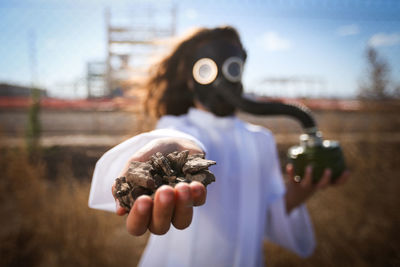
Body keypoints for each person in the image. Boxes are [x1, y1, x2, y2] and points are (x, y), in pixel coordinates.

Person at [88, 26, 349, 267]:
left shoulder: (261, 140)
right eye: (207, 70)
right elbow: (174, 136)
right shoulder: (177, 125)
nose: (223, 79)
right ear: (190, 80)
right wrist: (179, 149)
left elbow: (264, 217)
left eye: (233, 68)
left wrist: (298, 193)